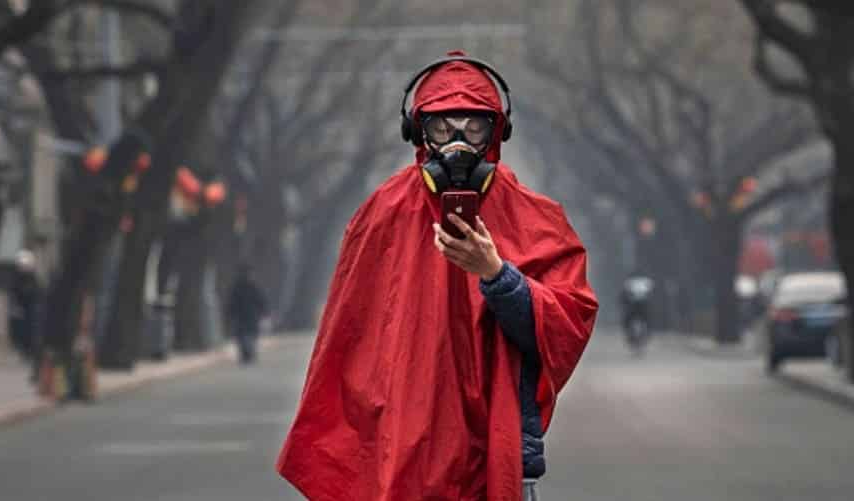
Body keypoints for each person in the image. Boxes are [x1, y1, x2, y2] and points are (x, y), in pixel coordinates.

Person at [277, 51, 598, 501]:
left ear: (497, 131)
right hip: (400, 451)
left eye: (474, 125)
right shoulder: (382, 215)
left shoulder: (536, 218)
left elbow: (566, 327)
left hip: (496, 451)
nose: (458, 140)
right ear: (418, 131)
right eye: (443, 126)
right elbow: (348, 342)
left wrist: (497, 275)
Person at [226, 264, 268, 364]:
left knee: (244, 335)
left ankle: (246, 353)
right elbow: (261, 301)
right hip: (249, 316)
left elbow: (231, 302)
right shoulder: (252, 286)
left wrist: (229, 314)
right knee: (249, 335)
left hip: (243, 316)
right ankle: (248, 353)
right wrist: (265, 312)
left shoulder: (237, 287)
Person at [9, 250, 42, 371]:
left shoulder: (33, 277)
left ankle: (29, 352)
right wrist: (15, 306)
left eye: (27, 265)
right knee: (21, 331)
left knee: (30, 331)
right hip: (21, 308)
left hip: (31, 309)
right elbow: (13, 292)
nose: (25, 267)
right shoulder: (17, 277)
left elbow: (38, 291)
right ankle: (23, 351)